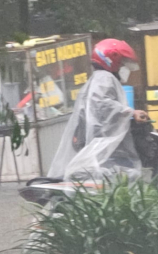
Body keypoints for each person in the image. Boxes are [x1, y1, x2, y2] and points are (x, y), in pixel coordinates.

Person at [48, 39, 149, 181]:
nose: (123, 68)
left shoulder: (98, 78)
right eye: (121, 63)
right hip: (103, 145)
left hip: (100, 143)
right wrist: (130, 112)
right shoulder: (105, 78)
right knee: (130, 175)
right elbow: (101, 103)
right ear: (111, 61)